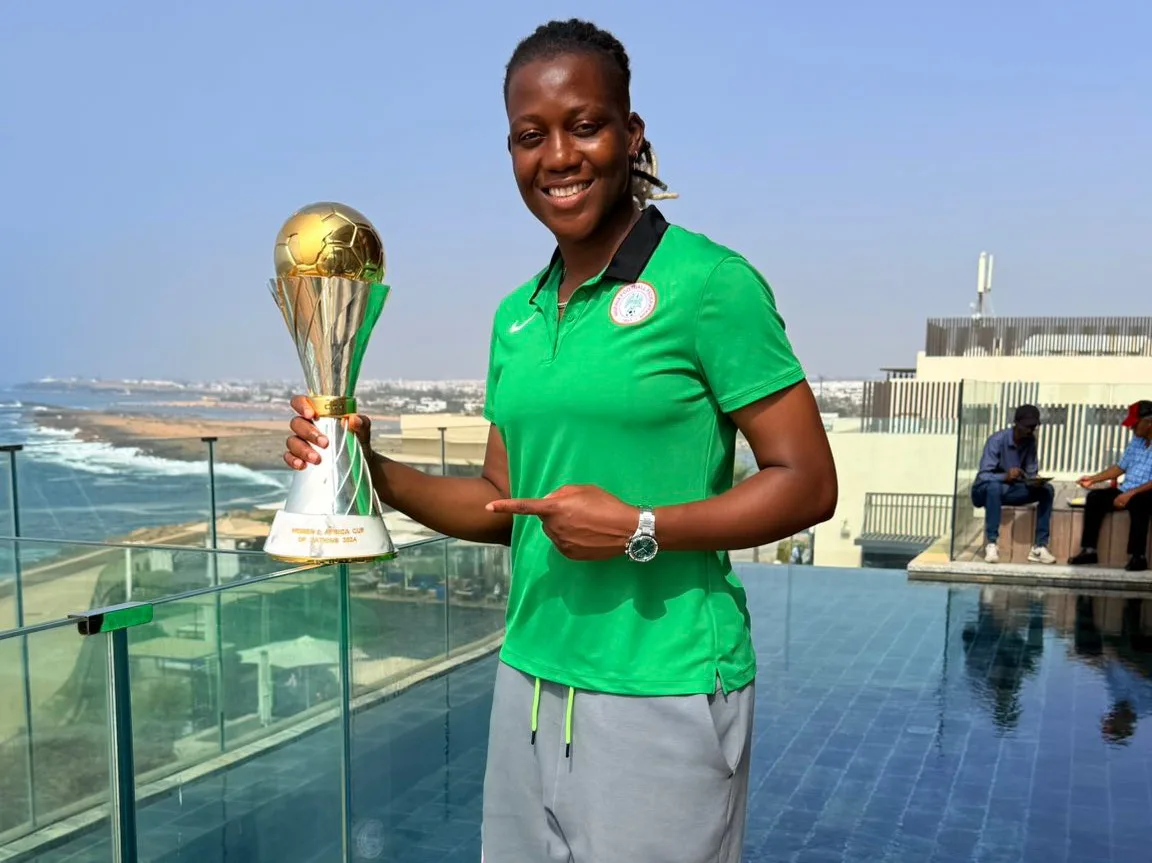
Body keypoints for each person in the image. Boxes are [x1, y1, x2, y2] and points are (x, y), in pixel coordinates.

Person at [283, 18, 837, 862]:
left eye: (584, 125)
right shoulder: (517, 314)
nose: (559, 156)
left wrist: (640, 526)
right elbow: (500, 502)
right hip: (530, 677)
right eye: (530, 136)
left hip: (664, 683)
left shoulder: (710, 284)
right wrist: (366, 468)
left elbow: (808, 481)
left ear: (631, 134)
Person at [1069, 399, 1152, 572]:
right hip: (1127, 490)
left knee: (1140, 503)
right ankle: (1089, 551)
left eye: (1135, 424)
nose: (1131, 428)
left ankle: (1138, 556)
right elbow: (1120, 467)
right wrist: (1094, 479)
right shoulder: (1137, 441)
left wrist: (1129, 495)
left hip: (1146, 491)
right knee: (1095, 498)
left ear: (1149, 423)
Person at [970, 404, 1055, 564]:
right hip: (984, 491)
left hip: (1010, 490)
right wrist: (1005, 476)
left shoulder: (1030, 442)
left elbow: (1031, 471)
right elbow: (983, 475)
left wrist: (1034, 481)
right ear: (1016, 423)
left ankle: (1039, 546)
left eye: (1033, 427)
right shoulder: (996, 440)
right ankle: (991, 543)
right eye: (1027, 426)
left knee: (1047, 490)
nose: (1030, 431)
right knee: (994, 487)